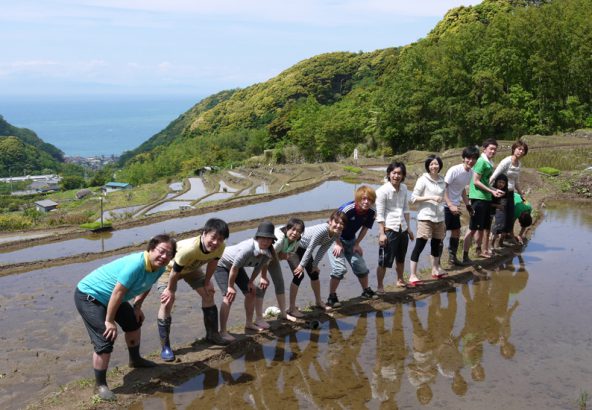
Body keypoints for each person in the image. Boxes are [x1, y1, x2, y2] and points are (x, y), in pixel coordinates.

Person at [74, 234, 176, 401]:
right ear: (151, 249)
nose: (164, 256)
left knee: (134, 322)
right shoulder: (136, 264)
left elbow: (147, 286)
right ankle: (100, 385)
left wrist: (137, 306)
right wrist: (109, 320)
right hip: (90, 295)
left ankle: (135, 360)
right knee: (105, 337)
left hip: (114, 297)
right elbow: (118, 292)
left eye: (169, 254)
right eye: (161, 251)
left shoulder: (159, 268)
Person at [156, 218, 230, 362]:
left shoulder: (220, 247)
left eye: (220, 239)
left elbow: (213, 264)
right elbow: (175, 271)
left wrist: (207, 282)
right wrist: (170, 290)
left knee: (209, 294)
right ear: (204, 233)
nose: (215, 242)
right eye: (213, 237)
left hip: (192, 268)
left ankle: (212, 335)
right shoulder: (189, 248)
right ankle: (165, 347)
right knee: (167, 302)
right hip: (170, 269)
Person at [214, 221, 274, 342]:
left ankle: (249, 323)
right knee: (229, 296)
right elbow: (234, 268)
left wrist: (251, 282)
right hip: (221, 264)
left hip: (236, 267)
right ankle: (223, 331)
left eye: (269, 239)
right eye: (263, 238)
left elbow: (258, 268)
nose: (266, 242)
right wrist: (230, 287)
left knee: (251, 292)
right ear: (257, 238)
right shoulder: (248, 248)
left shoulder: (267, 253)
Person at [287, 210, 347, 316]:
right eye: (336, 222)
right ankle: (292, 308)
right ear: (330, 221)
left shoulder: (337, 233)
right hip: (295, 246)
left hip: (305, 249)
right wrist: (301, 266)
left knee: (314, 273)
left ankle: (318, 302)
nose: (338, 226)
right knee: (298, 275)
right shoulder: (322, 230)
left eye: (342, 224)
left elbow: (323, 248)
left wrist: (315, 265)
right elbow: (311, 248)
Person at [327, 185, 378, 308]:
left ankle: (366, 291)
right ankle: (331, 297)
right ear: (358, 199)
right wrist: (337, 243)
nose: (367, 202)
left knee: (361, 266)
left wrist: (357, 244)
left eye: (370, 200)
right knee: (339, 269)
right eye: (364, 199)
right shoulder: (348, 209)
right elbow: (332, 225)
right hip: (334, 238)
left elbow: (365, 228)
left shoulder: (371, 212)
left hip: (350, 240)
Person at [254, 217, 305, 324]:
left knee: (280, 283)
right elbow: (265, 258)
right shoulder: (280, 239)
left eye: (299, 231)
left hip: (272, 257)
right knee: (261, 285)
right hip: (259, 258)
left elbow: (288, 254)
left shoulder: (297, 240)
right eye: (293, 230)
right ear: (287, 228)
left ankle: (284, 314)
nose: (295, 233)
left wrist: (284, 254)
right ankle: (258, 318)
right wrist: (263, 276)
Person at [462, 139, 505, 263]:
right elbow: (476, 181)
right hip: (478, 199)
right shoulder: (481, 161)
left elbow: (484, 182)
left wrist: (494, 189)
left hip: (485, 198)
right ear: (484, 149)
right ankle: (465, 255)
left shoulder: (488, 162)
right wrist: (492, 191)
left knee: (483, 227)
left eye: (495, 149)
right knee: (473, 228)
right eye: (491, 148)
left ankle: (479, 250)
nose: (493, 151)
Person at [375, 161, 414, 292]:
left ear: (403, 175)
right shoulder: (382, 191)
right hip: (389, 229)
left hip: (402, 228)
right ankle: (380, 286)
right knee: (384, 260)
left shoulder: (404, 188)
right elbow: (379, 214)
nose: (396, 176)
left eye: (399, 173)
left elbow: (406, 209)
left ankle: (400, 280)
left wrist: (408, 228)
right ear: (389, 174)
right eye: (394, 173)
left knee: (401, 258)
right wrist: (381, 233)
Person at [409, 155, 447, 285]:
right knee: (420, 245)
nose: (434, 166)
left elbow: (443, 198)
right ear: (428, 166)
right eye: (431, 164)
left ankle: (435, 270)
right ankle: (413, 275)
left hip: (440, 217)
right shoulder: (423, 180)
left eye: (436, 164)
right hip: (426, 217)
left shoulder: (443, 180)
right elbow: (413, 198)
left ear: (440, 165)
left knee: (436, 245)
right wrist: (430, 197)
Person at [443, 146, 480, 266]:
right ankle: (437, 263)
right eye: (468, 158)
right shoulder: (454, 170)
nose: (471, 161)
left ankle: (452, 258)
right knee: (441, 233)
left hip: (456, 205)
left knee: (456, 232)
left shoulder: (470, 173)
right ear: (463, 158)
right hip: (444, 205)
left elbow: (462, 189)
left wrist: (468, 205)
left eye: (474, 159)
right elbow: (443, 188)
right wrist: (449, 205)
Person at [489, 140, 529, 245]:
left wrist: (521, 193)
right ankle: (493, 241)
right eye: (519, 149)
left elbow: (516, 181)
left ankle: (503, 240)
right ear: (514, 149)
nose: (521, 151)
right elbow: (494, 175)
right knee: (500, 217)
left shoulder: (519, 164)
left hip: (511, 193)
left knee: (510, 216)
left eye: (523, 150)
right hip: (502, 193)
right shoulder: (506, 161)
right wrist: (488, 189)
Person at [490, 174, 508, 250]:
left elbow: (504, 204)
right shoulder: (491, 190)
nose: (501, 184)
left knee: (498, 231)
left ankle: (495, 245)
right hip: (492, 213)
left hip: (501, 214)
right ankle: (490, 246)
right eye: (499, 182)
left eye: (503, 183)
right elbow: (488, 203)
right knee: (493, 231)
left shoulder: (505, 192)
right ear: (496, 182)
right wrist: (497, 206)